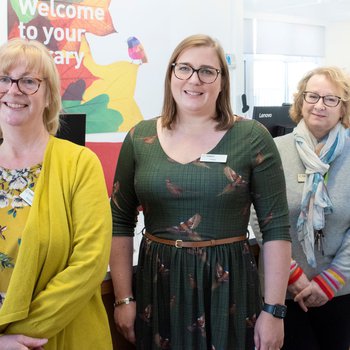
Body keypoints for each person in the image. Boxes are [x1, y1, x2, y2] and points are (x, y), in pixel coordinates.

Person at [109, 34, 291, 350]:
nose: (195, 79)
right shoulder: (139, 138)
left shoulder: (252, 137)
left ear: (222, 81)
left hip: (228, 284)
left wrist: (274, 311)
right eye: (185, 69)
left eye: (207, 71)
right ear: (171, 75)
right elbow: (119, 222)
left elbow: (276, 229)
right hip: (158, 285)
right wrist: (123, 297)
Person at [0, 38, 113, 349]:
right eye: (4, 79)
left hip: (62, 336)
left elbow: (89, 265)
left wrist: (16, 338)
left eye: (28, 81)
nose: (13, 90)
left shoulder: (79, 164)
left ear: (49, 94)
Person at [251, 66, 350, 350]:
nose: (320, 105)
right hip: (280, 288)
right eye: (312, 96)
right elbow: (260, 215)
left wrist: (331, 281)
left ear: (343, 108)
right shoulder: (271, 149)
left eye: (331, 99)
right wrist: (291, 275)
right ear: (300, 101)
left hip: (340, 290)